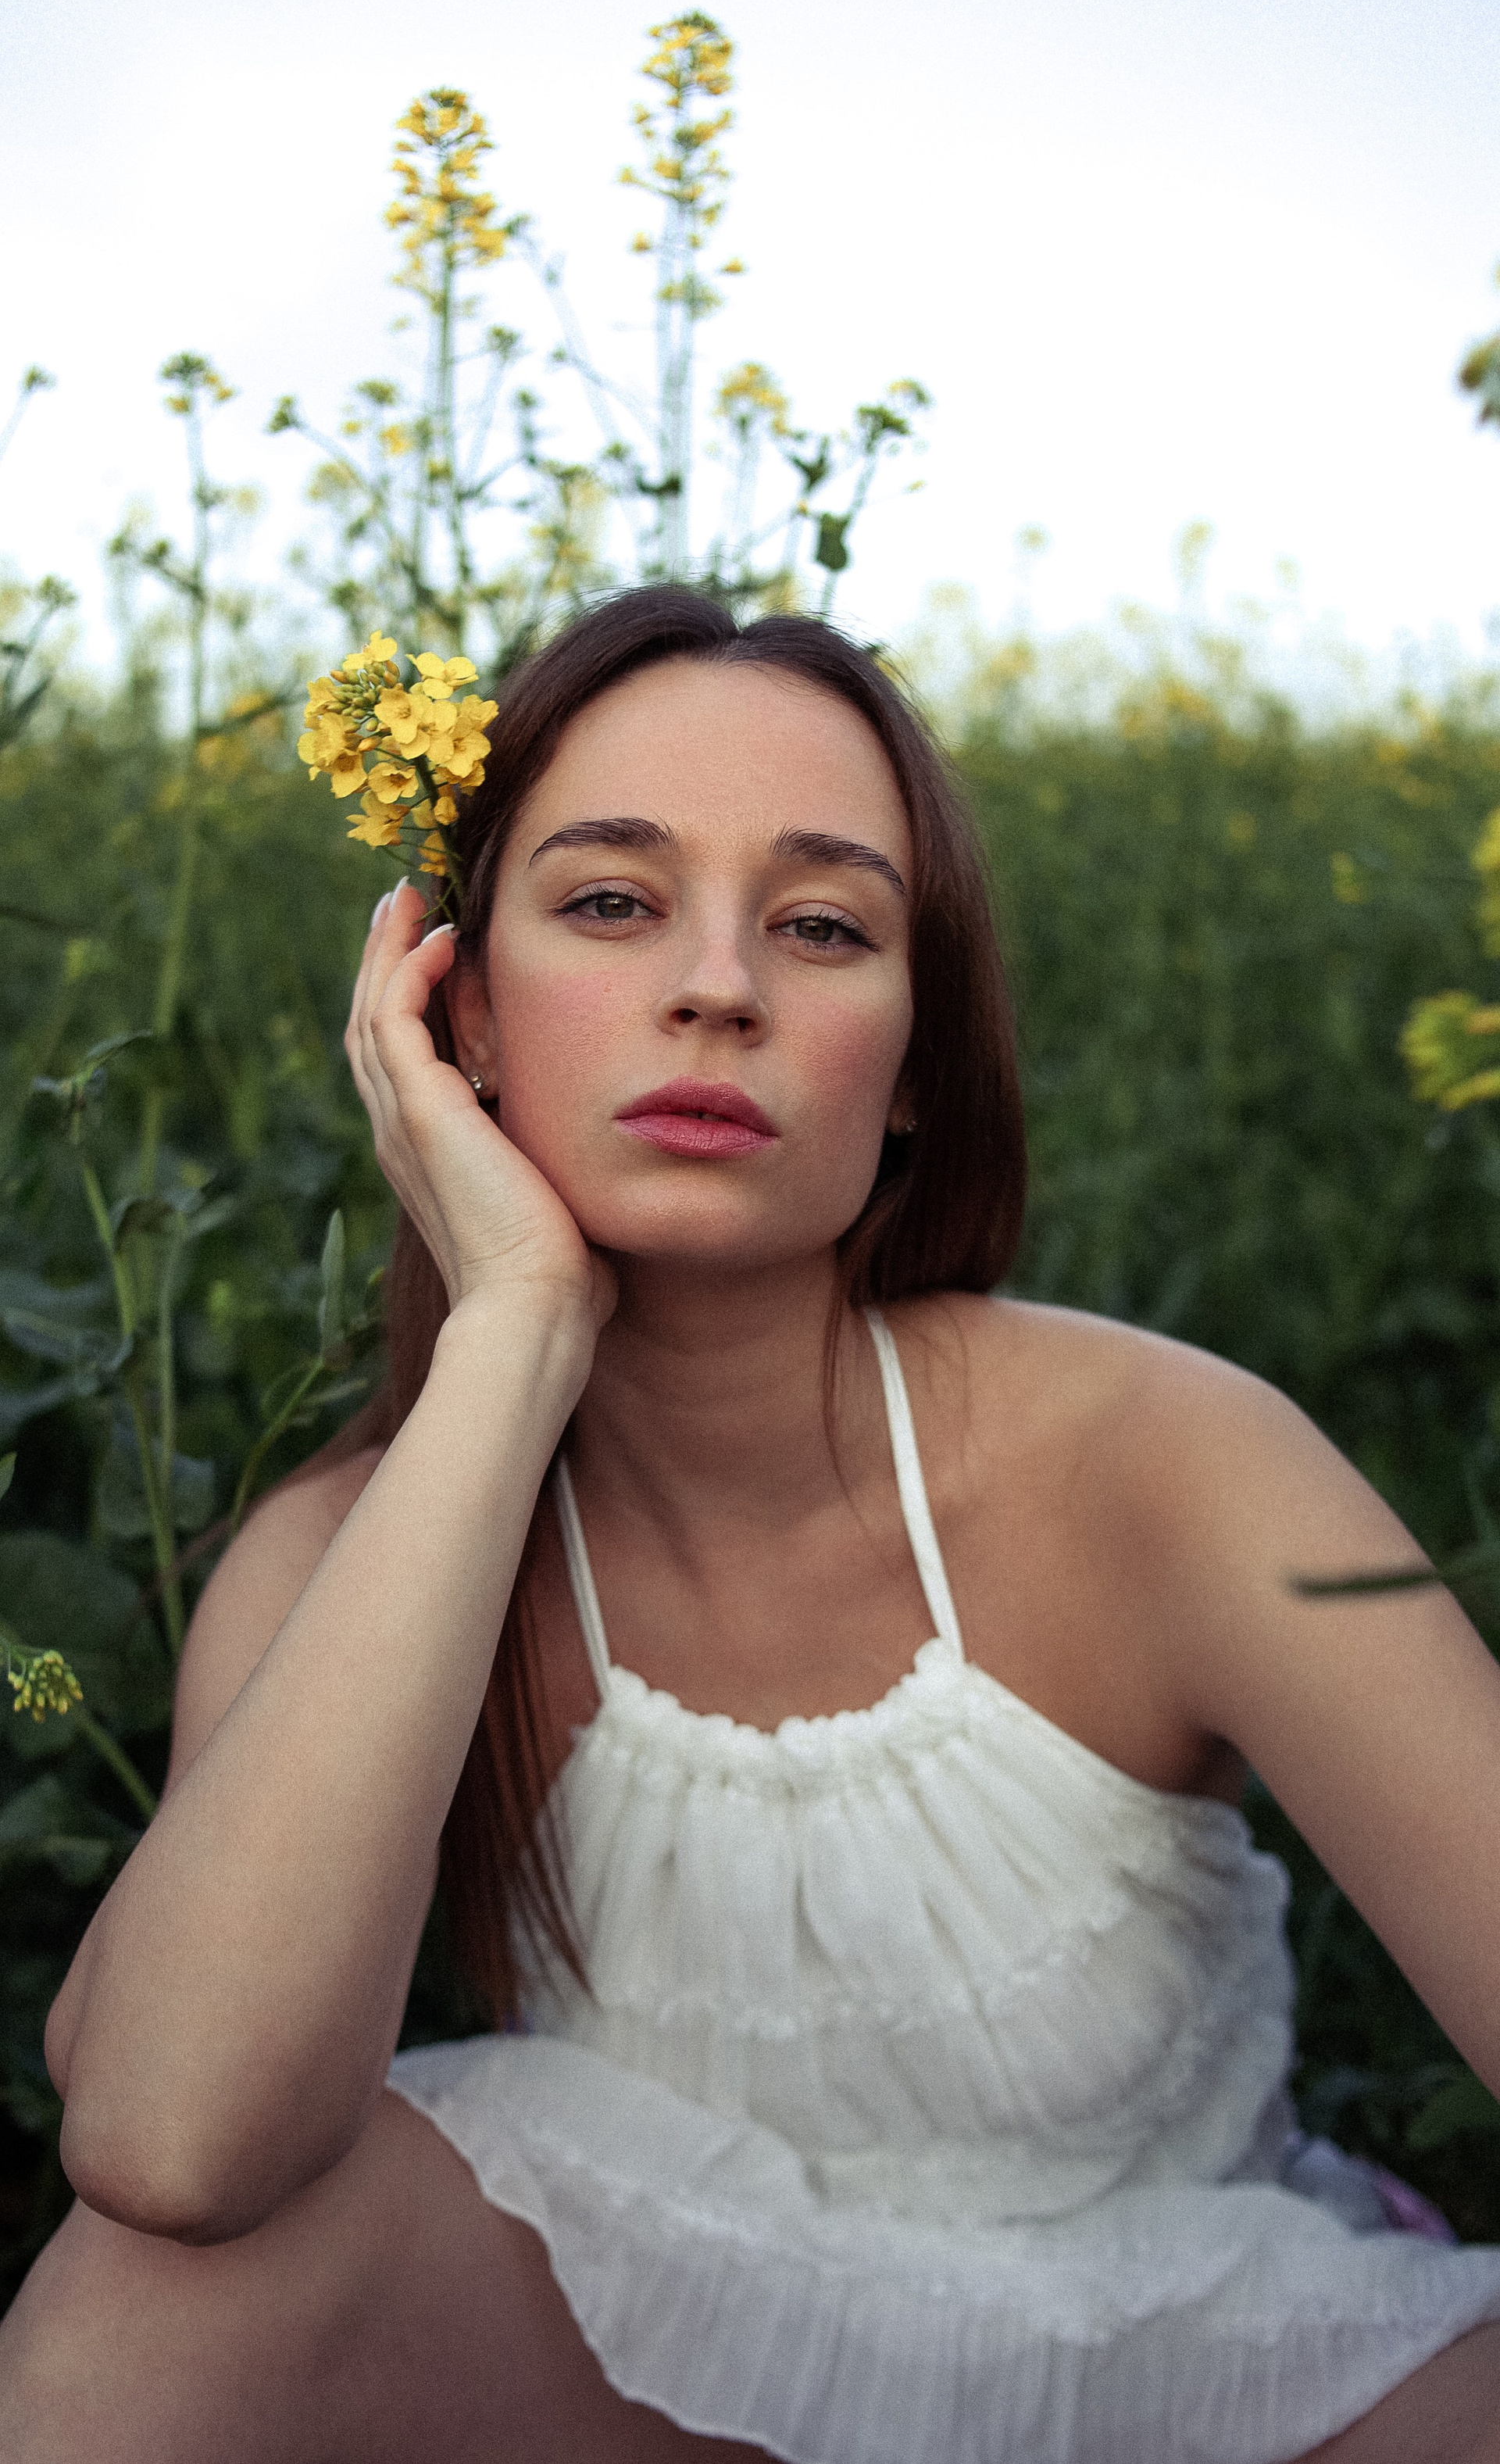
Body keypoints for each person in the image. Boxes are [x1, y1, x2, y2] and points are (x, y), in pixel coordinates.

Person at [4, 585, 1500, 2464]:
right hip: (654, 2352)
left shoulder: (1165, 1459)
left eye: (821, 926)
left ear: (917, 1064)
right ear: (454, 1012)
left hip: (1215, 2359)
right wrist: (512, 1333)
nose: (719, 986)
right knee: (149, 2312)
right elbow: (171, 2149)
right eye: (610, 903)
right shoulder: (348, 1554)